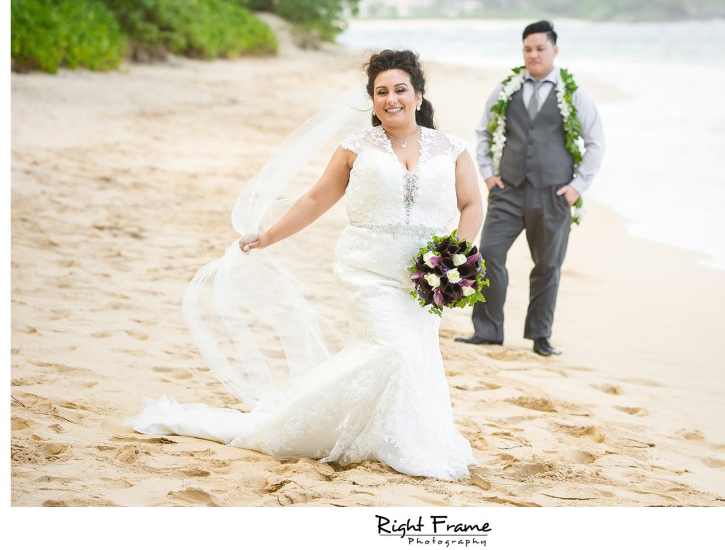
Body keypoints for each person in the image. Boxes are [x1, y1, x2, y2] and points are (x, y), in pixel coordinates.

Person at [127, 50, 484, 481]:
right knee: (391, 349)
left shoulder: (452, 149)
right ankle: (310, 426)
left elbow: (471, 205)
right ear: (372, 100)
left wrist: (453, 261)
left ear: (419, 94)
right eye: (381, 92)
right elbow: (316, 199)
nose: (391, 99)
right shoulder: (357, 148)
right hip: (365, 270)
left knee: (415, 355)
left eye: (400, 90)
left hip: (424, 278)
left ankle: (396, 436)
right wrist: (268, 236)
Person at [455, 20, 605, 357]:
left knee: (547, 265)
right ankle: (488, 330)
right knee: (490, 253)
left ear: (554, 50)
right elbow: (483, 131)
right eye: (527, 49)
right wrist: (489, 175)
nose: (533, 55)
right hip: (508, 190)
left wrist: (576, 188)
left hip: (554, 194)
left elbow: (595, 142)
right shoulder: (507, 88)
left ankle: (540, 336)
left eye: (540, 48)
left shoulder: (573, 93)